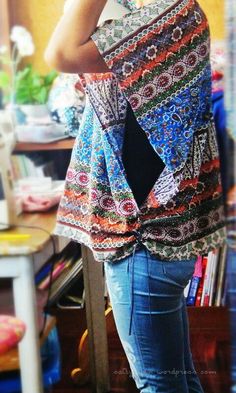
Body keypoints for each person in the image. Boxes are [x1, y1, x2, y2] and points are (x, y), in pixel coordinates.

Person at [45, 0, 226, 391]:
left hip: (144, 238)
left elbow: (61, 52)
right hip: (156, 236)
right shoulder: (161, 15)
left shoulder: (167, 16)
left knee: (158, 383)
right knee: (177, 379)